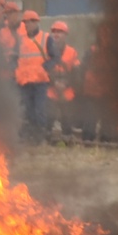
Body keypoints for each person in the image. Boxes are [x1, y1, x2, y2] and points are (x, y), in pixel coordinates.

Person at [11, 8, 52, 138]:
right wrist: (15, 69)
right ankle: (32, 136)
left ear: (36, 23)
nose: (26, 25)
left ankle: (40, 137)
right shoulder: (20, 40)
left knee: (39, 110)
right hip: (24, 82)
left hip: (40, 82)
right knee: (28, 111)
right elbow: (15, 57)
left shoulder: (46, 38)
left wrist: (45, 67)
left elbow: (54, 57)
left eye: (29, 22)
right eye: (25, 22)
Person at [46, 19, 85, 141]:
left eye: (60, 32)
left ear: (65, 35)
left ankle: (66, 142)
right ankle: (46, 142)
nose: (56, 35)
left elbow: (76, 73)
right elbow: (43, 71)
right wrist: (54, 83)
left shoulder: (72, 52)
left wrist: (65, 84)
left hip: (67, 92)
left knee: (67, 120)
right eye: (54, 32)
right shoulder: (46, 51)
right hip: (51, 91)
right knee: (48, 118)